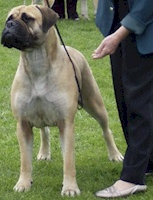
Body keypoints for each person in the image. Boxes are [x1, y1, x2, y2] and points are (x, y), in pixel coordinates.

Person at [92, 0, 153, 198]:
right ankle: (147, 162)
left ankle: (132, 177)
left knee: (139, 101)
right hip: (118, 18)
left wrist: (119, 34)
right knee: (124, 97)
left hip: (144, 24)